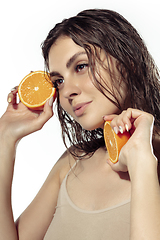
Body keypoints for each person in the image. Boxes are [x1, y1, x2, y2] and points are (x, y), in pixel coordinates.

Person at [0, 9, 160, 240]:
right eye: (59, 81)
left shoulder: (148, 163)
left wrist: (141, 161)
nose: (68, 91)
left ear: (129, 62)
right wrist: (5, 136)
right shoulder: (72, 163)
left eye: (81, 66)